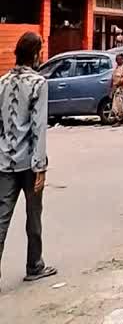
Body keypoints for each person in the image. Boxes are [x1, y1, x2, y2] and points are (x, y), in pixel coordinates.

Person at [0, 32, 57, 286]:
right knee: (33, 216)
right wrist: (41, 166)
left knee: (1, 219)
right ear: (35, 54)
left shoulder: (1, 82)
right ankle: (34, 265)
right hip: (30, 164)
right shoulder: (38, 83)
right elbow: (38, 127)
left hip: (4, 161)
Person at [110, 54, 123, 126]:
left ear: (122, 59)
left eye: (119, 59)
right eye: (116, 59)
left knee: (118, 105)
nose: (117, 61)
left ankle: (121, 119)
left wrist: (118, 84)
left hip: (121, 88)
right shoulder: (116, 68)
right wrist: (111, 89)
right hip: (116, 88)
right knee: (115, 106)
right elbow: (113, 79)